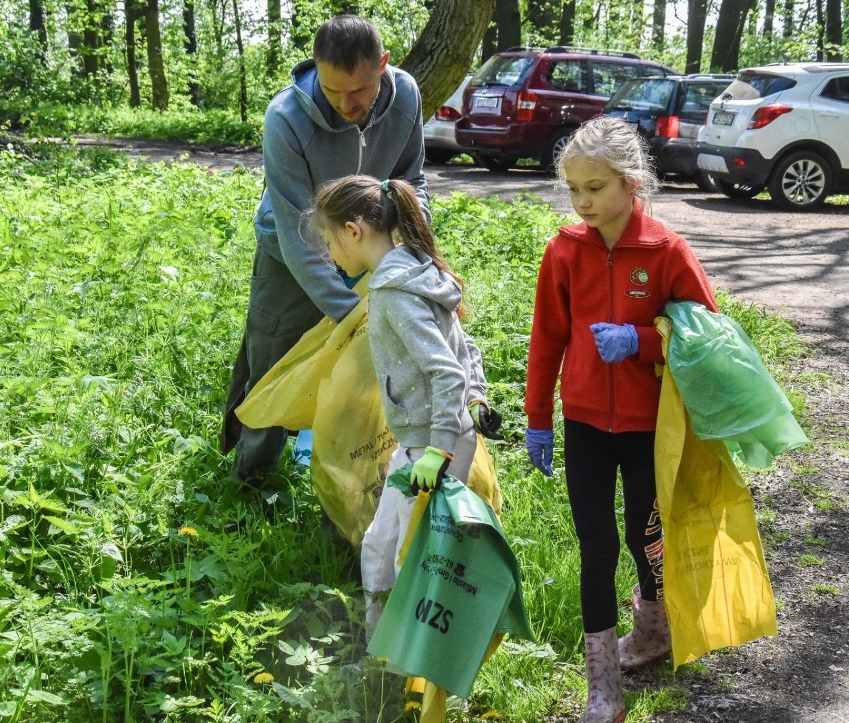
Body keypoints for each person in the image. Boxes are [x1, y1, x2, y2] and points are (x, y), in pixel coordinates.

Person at [523, 116, 718, 723]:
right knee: (596, 547)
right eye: (574, 189)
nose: (583, 202)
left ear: (632, 183)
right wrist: (539, 419)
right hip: (583, 422)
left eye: (595, 188)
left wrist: (641, 341)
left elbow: (707, 335)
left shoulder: (666, 251)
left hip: (646, 427)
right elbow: (546, 340)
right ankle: (603, 687)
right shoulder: (562, 252)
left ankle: (654, 630)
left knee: (644, 536)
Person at [221, 14, 430, 486]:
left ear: (383, 65)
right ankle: (252, 480)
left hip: (365, 250)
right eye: (333, 91)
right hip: (289, 251)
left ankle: (348, 476)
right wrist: (351, 313)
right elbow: (298, 230)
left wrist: (411, 260)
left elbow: (411, 182)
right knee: (274, 361)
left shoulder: (407, 97)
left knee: (358, 369)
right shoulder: (285, 119)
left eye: (357, 90)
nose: (345, 104)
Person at [310, 174, 502, 633]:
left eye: (328, 242)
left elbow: (444, 368)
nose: (330, 256)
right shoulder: (419, 270)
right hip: (425, 439)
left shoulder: (394, 291)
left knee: (414, 553)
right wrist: (476, 397)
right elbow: (463, 347)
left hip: (430, 446)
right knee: (381, 542)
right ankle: (381, 641)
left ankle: (411, 660)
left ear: (353, 230)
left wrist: (438, 449)